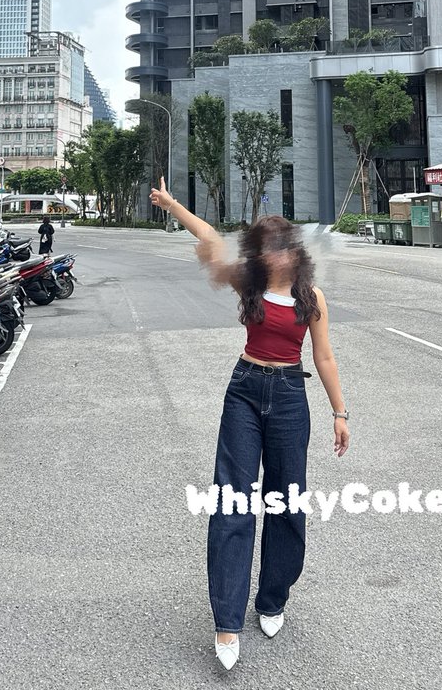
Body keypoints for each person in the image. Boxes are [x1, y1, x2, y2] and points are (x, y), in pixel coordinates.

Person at [149, 176, 349, 671]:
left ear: (295, 252)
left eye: (282, 246)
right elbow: (210, 239)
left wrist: (339, 412)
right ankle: (227, 619)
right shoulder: (251, 284)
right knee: (233, 501)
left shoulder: (312, 299)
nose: (275, 254)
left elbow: (323, 357)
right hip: (244, 389)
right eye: (266, 247)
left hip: (289, 397)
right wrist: (172, 204)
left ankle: (273, 598)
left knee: (286, 500)